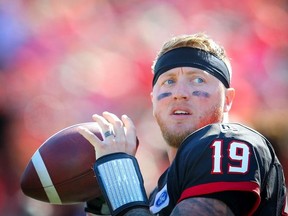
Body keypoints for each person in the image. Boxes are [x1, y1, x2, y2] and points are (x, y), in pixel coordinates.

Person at [78, 33, 288, 216]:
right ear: (153, 99)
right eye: (168, 81)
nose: (179, 93)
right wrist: (105, 202)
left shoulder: (226, 144)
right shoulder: (159, 193)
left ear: (228, 100)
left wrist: (120, 179)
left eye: (197, 80)